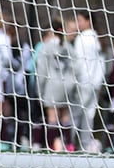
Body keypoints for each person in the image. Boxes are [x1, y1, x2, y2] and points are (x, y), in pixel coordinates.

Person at [33, 16, 80, 151]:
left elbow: (41, 70)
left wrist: (39, 90)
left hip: (51, 86)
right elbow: (76, 67)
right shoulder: (69, 47)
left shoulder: (46, 47)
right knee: (65, 116)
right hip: (67, 85)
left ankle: (52, 145)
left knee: (52, 117)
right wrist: (73, 85)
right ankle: (69, 145)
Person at [71, 9, 106, 153]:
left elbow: (78, 63)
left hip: (83, 83)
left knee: (76, 114)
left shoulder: (82, 38)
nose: (77, 24)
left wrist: (76, 81)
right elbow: (103, 64)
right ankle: (85, 146)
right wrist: (99, 82)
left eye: (79, 20)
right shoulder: (98, 38)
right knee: (88, 115)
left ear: (88, 21)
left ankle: (69, 143)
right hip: (95, 84)